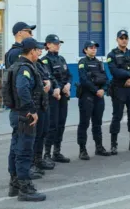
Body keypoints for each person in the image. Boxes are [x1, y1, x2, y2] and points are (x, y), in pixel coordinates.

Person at [7, 37, 46, 202]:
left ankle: (15, 184)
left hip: (18, 114)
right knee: (24, 150)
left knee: (16, 147)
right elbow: (22, 89)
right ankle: (25, 188)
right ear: (31, 51)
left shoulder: (18, 65)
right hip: (25, 115)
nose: (39, 53)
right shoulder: (25, 68)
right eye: (37, 50)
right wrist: (32, 110)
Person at [6, 22, 36, 187]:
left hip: (18, 107)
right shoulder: (17, 54)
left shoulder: (14, 53)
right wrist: (31, 108)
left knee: (17, 143)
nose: (31, 34)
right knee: (22, 146)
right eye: (28, 31)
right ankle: (20, 181)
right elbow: (21, 86)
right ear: (19, 33)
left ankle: (16, 179)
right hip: (22, 109)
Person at [76, 40, 112, 159]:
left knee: (97, 123)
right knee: (84, 123)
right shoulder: (82, 62)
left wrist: (104, 89)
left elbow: (106, 79)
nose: (93, 49)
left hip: (99, 96)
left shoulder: (99, 62)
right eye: (91, 47)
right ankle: (82, 149)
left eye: (95, 47)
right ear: (85, 50)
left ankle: (99, 147)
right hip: (87, 96)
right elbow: (84, 79)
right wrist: (96, 90)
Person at [42, 34, 73, 163]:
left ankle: (57, 151)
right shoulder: (45, 60)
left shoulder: (61, 59)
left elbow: (69, 75)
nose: (57, 45)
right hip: (53, 97)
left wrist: (68, 85)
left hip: (63, 96)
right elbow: (48, 77)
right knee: (52, 125)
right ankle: (47, 153)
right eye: (55, 43)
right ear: (48, 45)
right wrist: (60, 87)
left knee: (61, 123)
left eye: (59, 43)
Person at [31, 55, 59, 178]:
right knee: (34, 136)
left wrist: (54, 86)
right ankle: (31, 164)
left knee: (43, 132)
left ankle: (38, 160)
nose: (39, 51)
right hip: (35, 104)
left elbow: (49, 77)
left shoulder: (41, 63)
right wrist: (46, 83)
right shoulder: (28, 65)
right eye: (37, 49)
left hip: (44, 102)